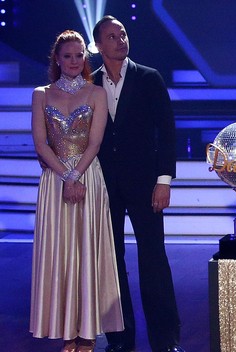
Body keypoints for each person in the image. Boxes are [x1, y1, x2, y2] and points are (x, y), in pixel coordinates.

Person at [91, 15, 183, 352]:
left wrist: (164, 180)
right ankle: (119, 338)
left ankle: (166, 339)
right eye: (112, 37)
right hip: (103, 185)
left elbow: (167, 130)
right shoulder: (90, 82)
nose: (120, 40)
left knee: (153, 259)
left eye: (123, 34)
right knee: (111, 261)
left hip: (146, 184)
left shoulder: (148, 78)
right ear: (98, 45)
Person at [29, 30, 124, 352]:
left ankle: (88, 333)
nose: (73, 61)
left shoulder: (95, 93)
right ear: (57, 59)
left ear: (86, 57)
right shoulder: (41, 93)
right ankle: (67, 330)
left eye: (79, 55)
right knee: (61, 255)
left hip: (88, 178)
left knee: (87, 252)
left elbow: (95, 142)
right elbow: (41, 143)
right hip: (56, 181)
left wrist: (76, 176)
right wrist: (66, 177)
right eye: (67, 56)